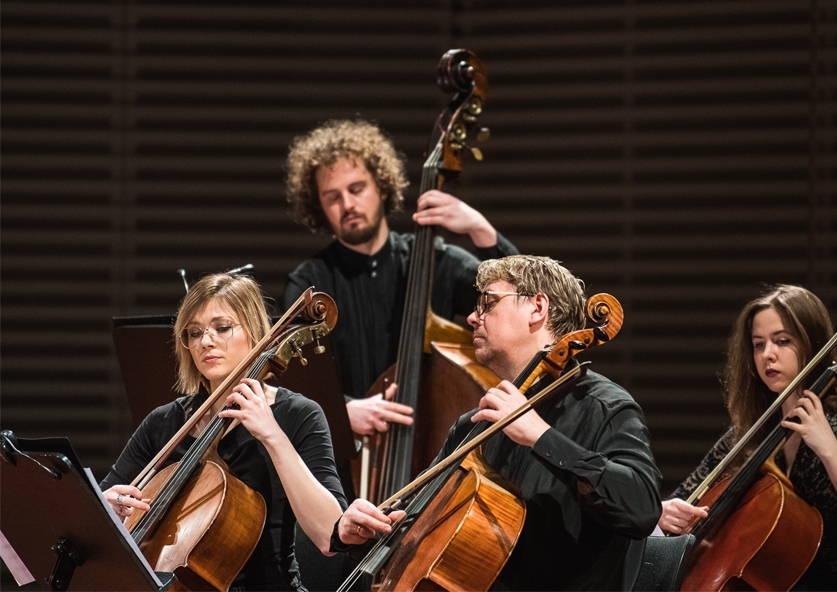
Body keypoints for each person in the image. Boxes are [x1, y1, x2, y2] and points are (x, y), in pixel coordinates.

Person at [334, 255, 662, 590]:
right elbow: (414, 523)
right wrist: (362, 533)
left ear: (537, 308)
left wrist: (541, 436)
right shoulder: (473, 426)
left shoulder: (602, 406)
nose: (473, 317)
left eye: (488, 303)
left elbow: (641, 507)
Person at [100, 273, 346, 591]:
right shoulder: (166, 422)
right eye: (194, 332)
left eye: (222, 327)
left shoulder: (297, 415)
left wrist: (272, 435)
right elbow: (103, 507)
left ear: (256, 332)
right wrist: (109, 508)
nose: (206, 341)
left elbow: (330, 534)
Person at [282, 119, 518, 450]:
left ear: (381, 186)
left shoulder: (438, 263)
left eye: (357, 188)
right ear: (318, 205)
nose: (347, 205)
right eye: (332, 196)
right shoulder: (311, 282)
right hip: (350, 462)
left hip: (433, 449)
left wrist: (482, 231)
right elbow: (292, 376)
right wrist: (342, 410)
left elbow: (519, 300)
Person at [657, 284, 837, 590]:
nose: (767, 354)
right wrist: (664, 513)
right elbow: (685, 497)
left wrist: (830, 451)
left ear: (813, 344)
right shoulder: (748, 435)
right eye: (758, 345)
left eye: (782, 341)